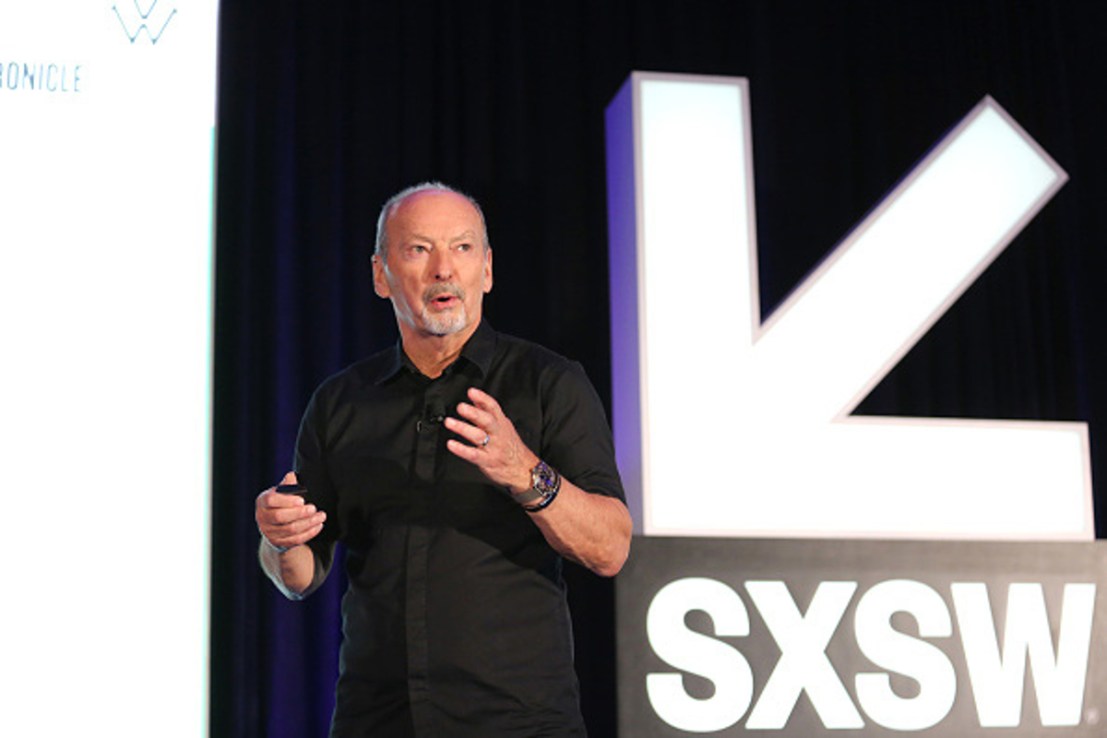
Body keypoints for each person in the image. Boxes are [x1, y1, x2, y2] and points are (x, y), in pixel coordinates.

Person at [255, 181, 633, 737]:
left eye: (462, 248)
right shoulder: (341, 402)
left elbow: (610, 548)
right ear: (381, 275)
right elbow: (301, 576)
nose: (443, 269)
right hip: (377, 721)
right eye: (418, 249)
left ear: (486, 270)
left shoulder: (548, 383)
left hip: (516, 723)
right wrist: (279, 540)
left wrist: (524, 472)